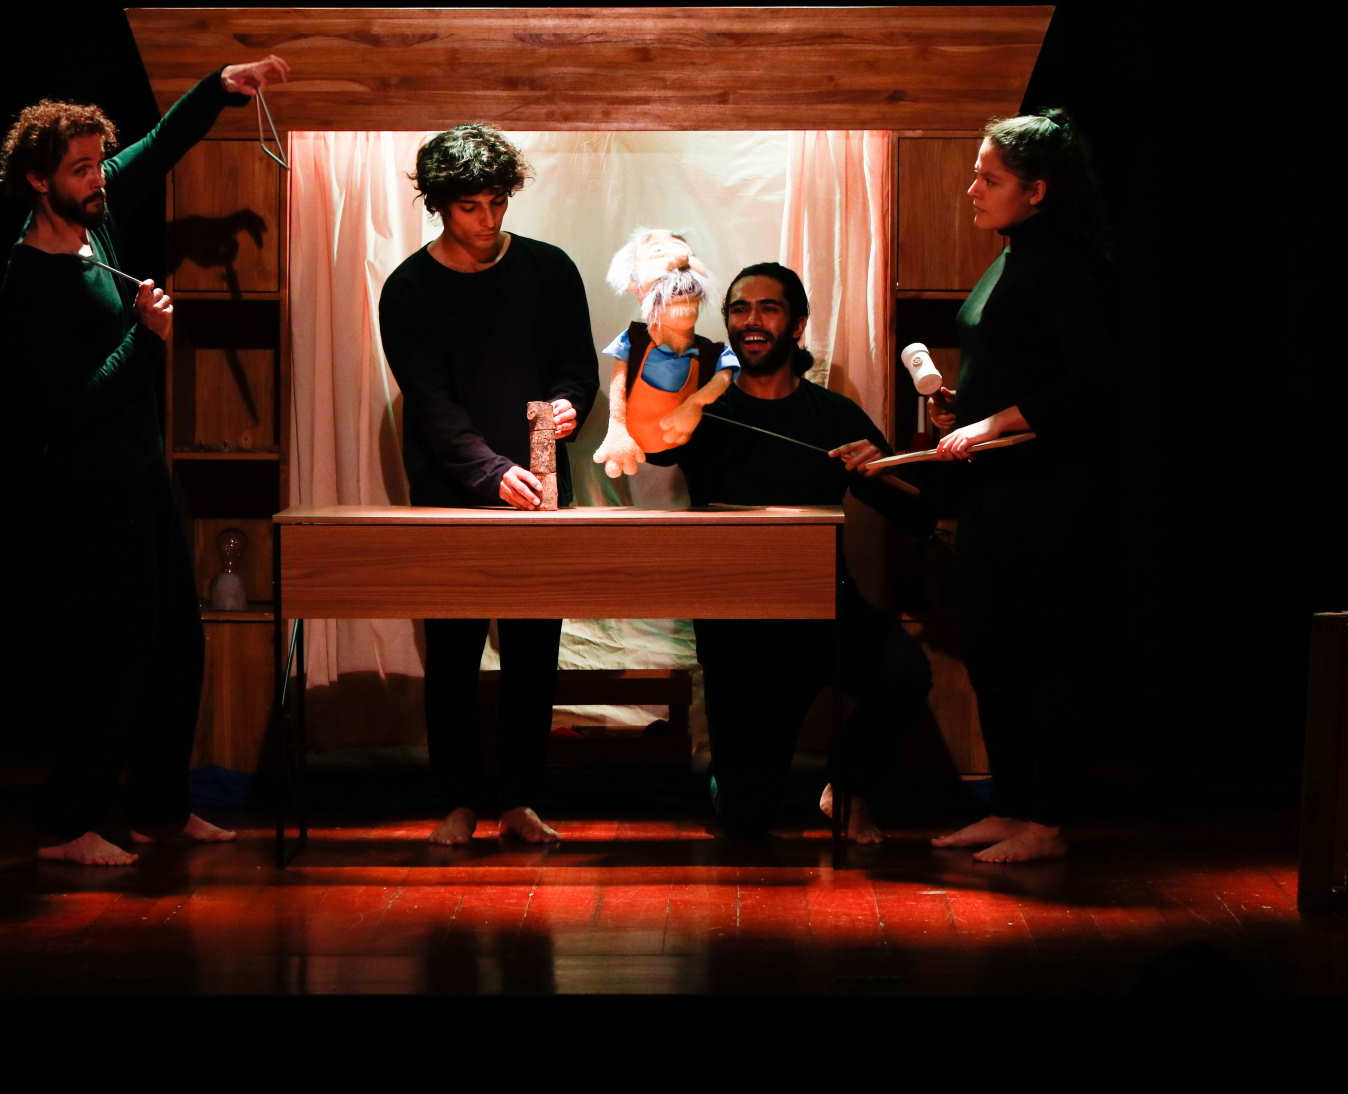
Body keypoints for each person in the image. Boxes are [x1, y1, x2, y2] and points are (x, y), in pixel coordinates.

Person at [0, 55, 290, 866]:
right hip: (88, 491)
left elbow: (159, 145)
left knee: (176, 644)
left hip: (142, 473)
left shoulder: (94, 218)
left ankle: (162, 806)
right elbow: (74, 402)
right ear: (37, 181)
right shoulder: (31, 279)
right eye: (80, 168)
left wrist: (221, 85)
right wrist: (146, 337)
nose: (98, 177)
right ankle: (72, 824)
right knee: (109, 654)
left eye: (98, 163)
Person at [649, 263, 934, 841]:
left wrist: (879, 469)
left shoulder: (833, 414)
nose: (751, 321)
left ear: (797, 326)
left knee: (905, 673)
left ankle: (848, 787)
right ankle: (732, 781)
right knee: (746, 818)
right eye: (739, 309)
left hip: (827, 613)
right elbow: (653, 447)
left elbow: (916, 512)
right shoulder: (706, 412)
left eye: (768, 308)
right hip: (738, 629)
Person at [377, 124, 598, 846]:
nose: (488, 219)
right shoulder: (409, 289)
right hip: (450, 492)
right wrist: (491, 471)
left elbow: (577, 369)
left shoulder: (549, 269)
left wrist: (570, 405)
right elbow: (432, 406)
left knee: (534, 651)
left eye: (498, 202)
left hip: (540, 485)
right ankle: (457, 801)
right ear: (440, 204)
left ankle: (520, 800)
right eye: (471, 206)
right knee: (452, 651)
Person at [921, 109, 1113, 863]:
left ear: (1037, 190)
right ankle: (1011, 804)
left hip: (1048, 495)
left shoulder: (1070, 266)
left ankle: (1046, 820)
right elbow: (1009, 367)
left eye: (990, 178)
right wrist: (960, 410)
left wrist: (992, 421)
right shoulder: (1010, 255)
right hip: (995, 492)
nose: (972, 189)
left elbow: (1085, 385)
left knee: (1041, 654)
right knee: (992, 648)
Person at [590, 228, 738, 477]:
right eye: (658, 251)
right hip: (638, 456)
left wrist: (695, 403)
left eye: (684, 252)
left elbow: (725, 376)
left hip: (687, 458)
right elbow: (619, 385)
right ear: (635, 286)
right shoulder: (634, 341)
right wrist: (616, 428)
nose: (680, 260)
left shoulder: (712, 353)